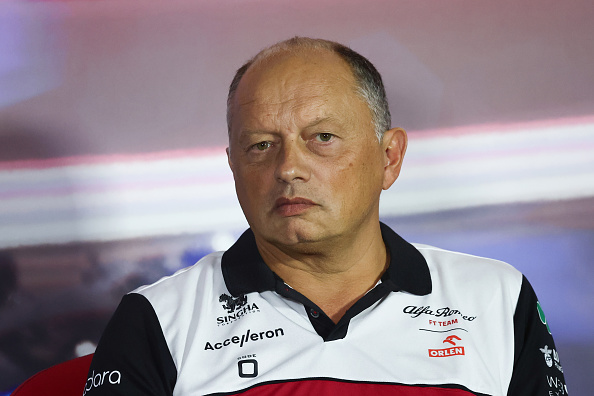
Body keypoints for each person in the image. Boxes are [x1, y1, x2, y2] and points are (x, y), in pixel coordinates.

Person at [85, 37, 568, 396]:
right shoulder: (158, 319)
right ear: (233, 166)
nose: (289, 169)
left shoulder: (497, 299)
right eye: (260, 145)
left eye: (322, 138)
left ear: (390, 157)